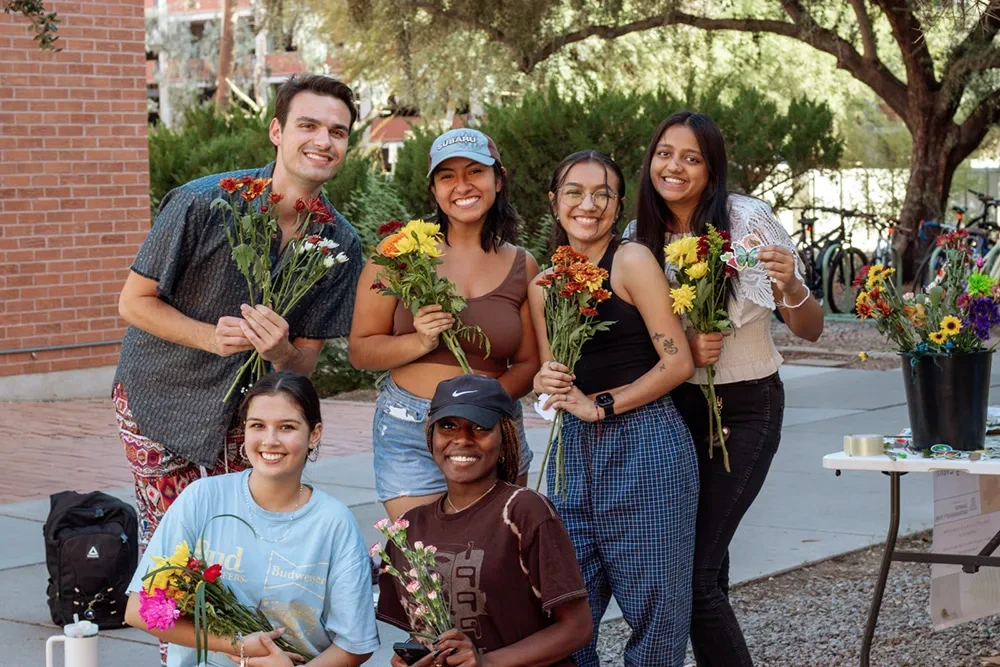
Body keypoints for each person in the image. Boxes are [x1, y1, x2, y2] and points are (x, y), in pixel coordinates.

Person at [114, 74, 363, 557]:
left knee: (246, 546)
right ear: (277, 131)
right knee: (175, 551)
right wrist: (210, 337)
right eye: (308, 125)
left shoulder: (341, 242)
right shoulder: (201, 203)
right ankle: (184, 638)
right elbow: (133, 302)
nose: (323, 141)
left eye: (337, 132)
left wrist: (280, 351)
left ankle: (247, 638)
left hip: (253, 416)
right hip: (160, 397)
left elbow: (305, 362)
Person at [627, 111, 824, 666]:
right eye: (665, 153)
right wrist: (683, 344)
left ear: (712, 171)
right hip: (671, 412)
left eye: (692, 158)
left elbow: (810, 327)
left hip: (744, 407)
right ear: (650, 160)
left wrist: (788, 283)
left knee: (695, 579)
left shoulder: (746, 221)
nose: (675, 167)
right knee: (706, 570)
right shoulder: (636, 236)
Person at [530, 150, 698, 667]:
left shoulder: (631, 260)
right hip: (570, 455)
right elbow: (550, 370)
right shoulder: (543, 286)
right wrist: (546, 380)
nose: (589, 204)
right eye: (575, 192)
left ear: (618, 203)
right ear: (554, 202)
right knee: (564, 614)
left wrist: (602, 405)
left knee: (656, 616)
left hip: (646, 445)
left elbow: (678, 363)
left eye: (603, 194)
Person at [124, 372, 379, 667]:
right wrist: (238, 645)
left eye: (287, 427)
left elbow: (355, 643)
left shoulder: (333, 522)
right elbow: (138, 609)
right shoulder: (203, 498)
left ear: (315, 433)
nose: (270, 440)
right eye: (258, 425)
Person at [349, 128, 540, 521]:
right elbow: (361, 350)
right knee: (422, 566)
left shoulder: (523, 265)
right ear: (434, 189)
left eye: (475, 171)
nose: (462, 185)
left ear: (498, 179)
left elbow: (527, 365)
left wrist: (478, 405)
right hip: (410, 430)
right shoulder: (399, 256)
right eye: (447, 176)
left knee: (496, 562)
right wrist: (419, 341)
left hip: (493, 427)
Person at [377, 374, 592, 667]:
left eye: (480, 427)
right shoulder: (409, 529)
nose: (462, 439)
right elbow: (426, 632)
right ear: (431, 434)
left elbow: (577, 628)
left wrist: (487, 662)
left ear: (505, 436)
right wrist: (419, 655)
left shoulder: (524, 511)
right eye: (448, 425)